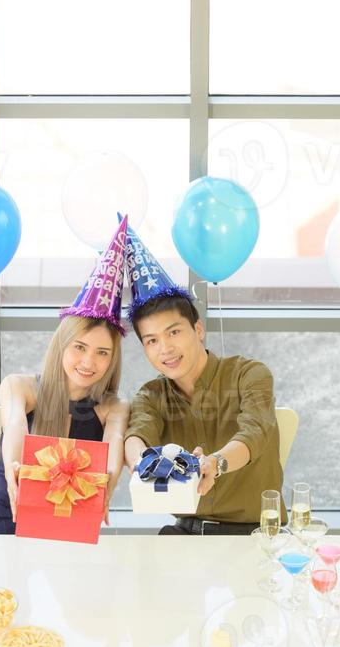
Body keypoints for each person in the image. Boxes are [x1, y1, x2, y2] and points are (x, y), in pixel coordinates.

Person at [121, 221, 286, 535]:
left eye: (173, 332)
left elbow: (255, 432)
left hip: (256, 534)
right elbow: (137, 434)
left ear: (198, 329)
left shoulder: (250, 374)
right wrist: (142, 462)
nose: (165, 349)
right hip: (185, 532)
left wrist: (215, 463)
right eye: (151, 340)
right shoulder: (151, 395)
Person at [0, 216, 130, 534]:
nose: (88, 362)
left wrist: (107, 484)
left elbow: (114, 445)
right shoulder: (20, 386)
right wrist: (16, 474)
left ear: (112, 360)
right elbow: (15, 423)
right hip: (3, 517)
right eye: (79, 347)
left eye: (102, 353)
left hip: (68, 526)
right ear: (61, 345)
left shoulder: (114, 406)